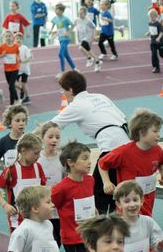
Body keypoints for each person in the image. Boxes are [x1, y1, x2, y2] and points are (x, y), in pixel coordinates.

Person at [98, 109, 163, 252]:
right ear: (141, 132)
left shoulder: (157, 150)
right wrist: (106, 182)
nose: (159, 135)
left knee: (146, 245)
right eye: (155, 131)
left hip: (146, 208)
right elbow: (103, 163)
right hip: (126, 209)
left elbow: (162, 161)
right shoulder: (124, 152)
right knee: (123, 244)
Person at [51, 71, 130, 214]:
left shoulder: (76, 106)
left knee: (98, 195)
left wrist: (25, 140)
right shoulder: (101, 97)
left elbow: (50, 127)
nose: (63, 94)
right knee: (121, 194)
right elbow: (123, 118)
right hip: (128, 145)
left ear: (70, 90)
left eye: (63, 90)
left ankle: (100, 230)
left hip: (111, 148)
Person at [51, 141, 96, 252]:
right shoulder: (60, 188)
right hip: (73, 238)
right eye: (84, 158)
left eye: (89, 157)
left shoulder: (90, 180)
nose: (89, 161)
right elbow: (55, 206)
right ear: (70, 162)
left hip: (90, 235)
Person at [0, 133, 46, 233]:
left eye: (39, 153)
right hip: (18, 221)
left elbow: (43, 189)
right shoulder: (12, 170)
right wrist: (5, 205)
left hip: (37, 218)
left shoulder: (38, 167)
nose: (38, 156)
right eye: (36, 153)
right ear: (23, 151)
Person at [37, 121, 64, 247]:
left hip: (57, 208)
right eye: (50, 137)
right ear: (42, 137)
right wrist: (48, 189)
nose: (54, 140)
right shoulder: (37, 159)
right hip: (40, 207)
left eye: (57, 137)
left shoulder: (62, 159)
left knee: (56, 242)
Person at [0, 104, 28, 172]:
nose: (21, 123)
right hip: (9, 177)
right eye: (17, 120)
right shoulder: (3, 142)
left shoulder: (28, 140)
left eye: (23, 120)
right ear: (9, 123)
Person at [50, 3, 76, 78]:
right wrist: (51, 31)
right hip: (60, 38)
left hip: (66, 38)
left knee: (60, 54)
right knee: (66, 55)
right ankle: (75, 69)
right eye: (55, 9)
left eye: (57, 9)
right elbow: (54, 25)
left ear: (61, 11)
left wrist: (68, 32)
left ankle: (62, 72)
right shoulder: (55, 18)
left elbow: (73, 25)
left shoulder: (66, 19)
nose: (55, 10)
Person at [0, 30, 20, 105]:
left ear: (12, 37)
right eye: (6, 36)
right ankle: (16, 99)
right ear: (4, 37)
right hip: (7, 69)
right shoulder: (2, 47)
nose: (8, 38)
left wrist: (19, 58)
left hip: (15, 68)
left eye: (9, 36)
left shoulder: (16, 46)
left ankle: (12, 103)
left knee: (11, 86)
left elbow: (17, 53)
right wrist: (2, 55)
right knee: (11, 86)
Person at [75, 7, 101, 72]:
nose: (80, 14)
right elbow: (72, 26)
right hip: (82, 37)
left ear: (85, 14)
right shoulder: (77, 20)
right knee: (89, 50)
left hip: (88, 37)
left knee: (81, 48)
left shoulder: (88, 21)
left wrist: (94, 36)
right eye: (79, 13)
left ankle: (89, 58)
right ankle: (97, 62)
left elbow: (94, 27)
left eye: (81, 13)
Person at [146, 8, 163, 73]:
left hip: (159, 43)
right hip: (153, 42)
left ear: (156, 16)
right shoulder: (150, 23)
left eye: (152, 17)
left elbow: (161, 32)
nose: (150, 19)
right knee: (153, 55)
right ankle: (156, 67)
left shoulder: (158, 24)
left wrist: (158, 38)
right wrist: (148, 33)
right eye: (149, 17)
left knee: (162, 55)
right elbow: (151, 30)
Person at [15, 32, 32, 104]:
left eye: (20, 39)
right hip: (16, 69)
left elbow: (29, 57)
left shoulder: (25, 48)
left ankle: (27, 97)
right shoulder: (13, 47)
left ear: (22, 40)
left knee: (23, 83)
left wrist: (23, 61)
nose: (18, 40)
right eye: (17, 38)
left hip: (24, 69)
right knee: (15, 83)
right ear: (14, 40)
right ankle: (22, 91)